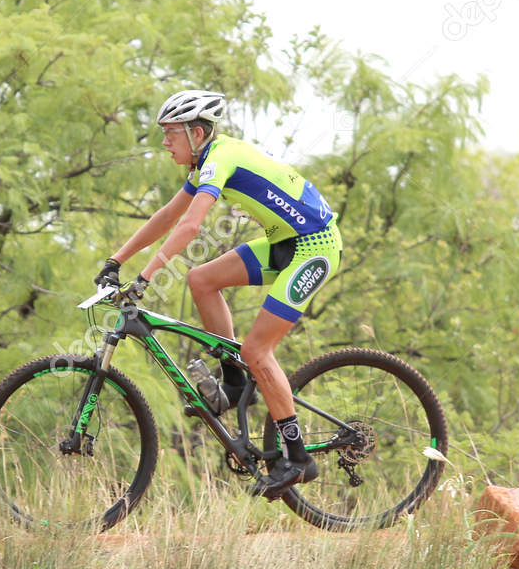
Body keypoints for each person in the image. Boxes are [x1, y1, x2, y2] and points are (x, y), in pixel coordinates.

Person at [93, 89, 342, 500]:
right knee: (202, 280)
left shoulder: (221, 157)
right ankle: (235, 382)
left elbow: (189, 227)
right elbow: (167, 216)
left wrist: (146, 276)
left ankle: (298, 457)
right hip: (284, 243)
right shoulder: (207, 161)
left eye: (170, 134)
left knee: (258, 351)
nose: (164, 142)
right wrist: (114, 260)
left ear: (195, 132)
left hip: (315, 246)